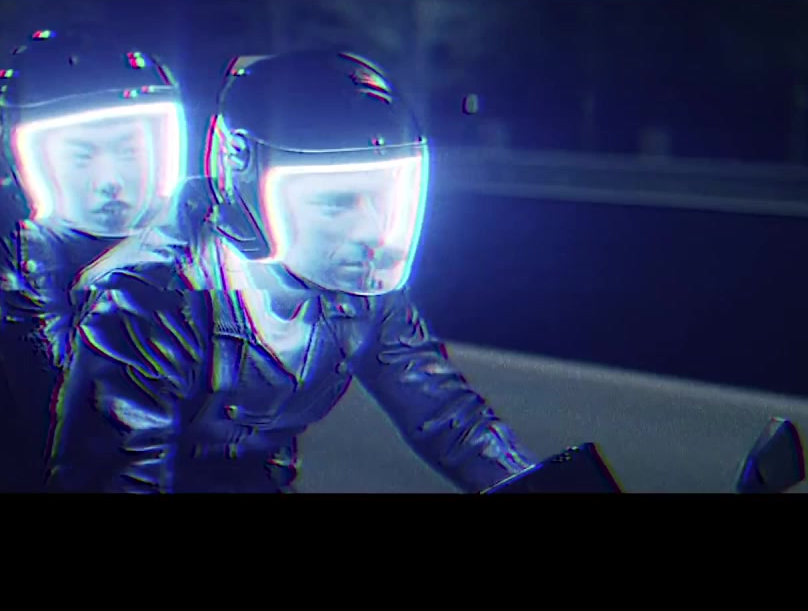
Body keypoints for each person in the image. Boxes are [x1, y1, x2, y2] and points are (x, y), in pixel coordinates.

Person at [48, 51, 538, 493]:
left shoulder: (358, 290)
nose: (370, 230)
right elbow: (119, 473)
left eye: (383, 199)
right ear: (245, 176)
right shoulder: (148, 300)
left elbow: (446, 414)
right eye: (336, 203)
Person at [0, 29, 190, 493]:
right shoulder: (7, 254)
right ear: (25, 158)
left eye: (129, 150)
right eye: (81, 156)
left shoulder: (195, 255)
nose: (110, 181)